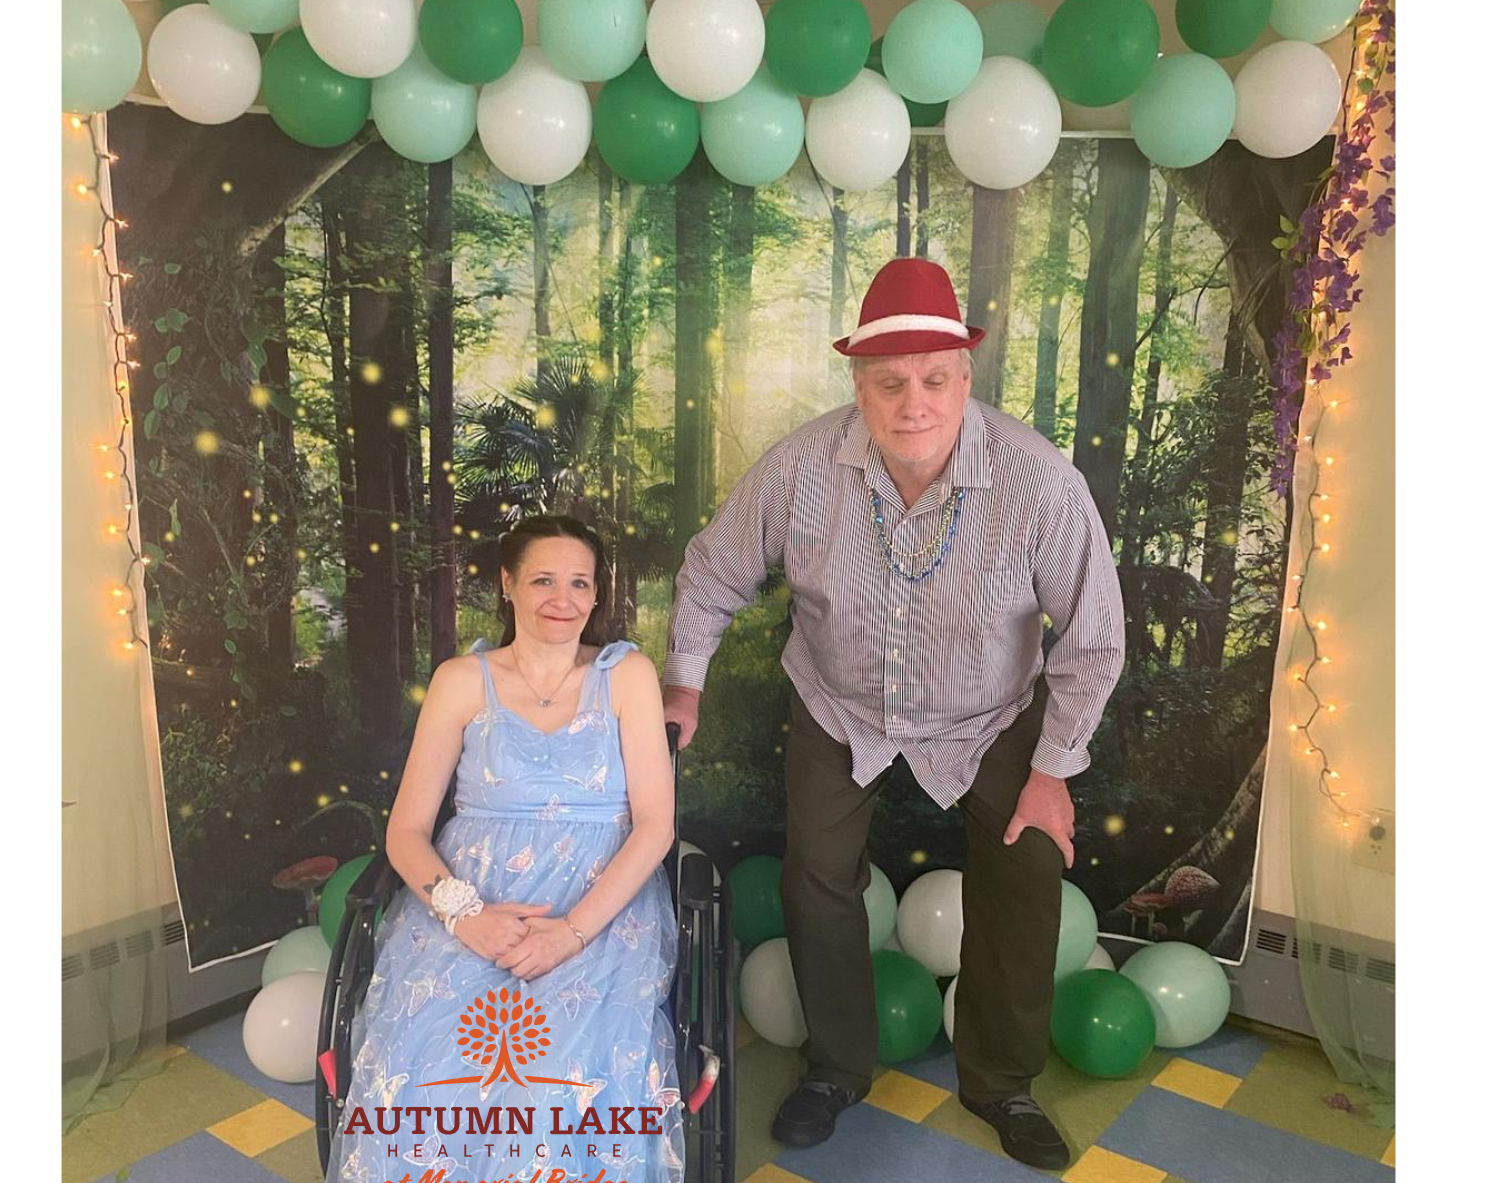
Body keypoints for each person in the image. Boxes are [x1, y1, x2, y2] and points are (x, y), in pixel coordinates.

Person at [662, 258, 1125, 1173]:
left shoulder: (1039, 482)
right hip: (841, 702)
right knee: (816, 874)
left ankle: (1002, 1083)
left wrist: (1053, 769)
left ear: (964, 377)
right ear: (858, 384)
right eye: (890, 382)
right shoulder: (799, 467)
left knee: (1028, 871)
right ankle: (835, 1069)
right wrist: (685, 681)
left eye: (935, 380)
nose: (914, 402)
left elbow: (1094, 639)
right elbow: (713, 571)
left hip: (992, 716)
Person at [329, 515, 683, 1183]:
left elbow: (655, 826)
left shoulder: (627, 675)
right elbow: (405, 831)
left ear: (597, 593)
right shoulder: (462, 680)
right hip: (474, 893)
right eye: (544, 579)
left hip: (598, 901)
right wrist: (466, 916)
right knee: (432, 1057)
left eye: (580, 582)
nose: (564, 598)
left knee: (557, 1075)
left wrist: (570, 935)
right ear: (507, 584)